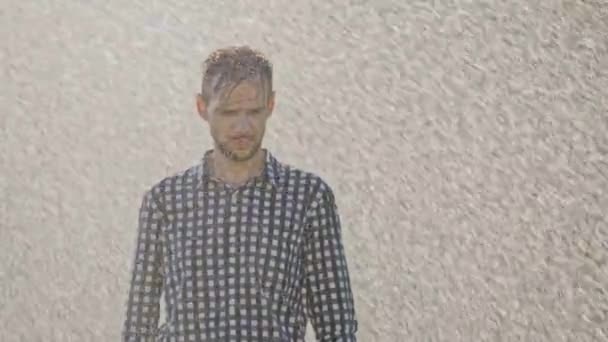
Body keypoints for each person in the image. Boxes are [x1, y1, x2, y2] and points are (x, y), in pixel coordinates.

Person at [121, 45, 358, 342]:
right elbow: (137, 327)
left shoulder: (308, 198)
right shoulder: (164, 202)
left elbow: (337, 328)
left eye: (254, 112)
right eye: (229, 112)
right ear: (202, 108)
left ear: (271, 106)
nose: (242, 126)